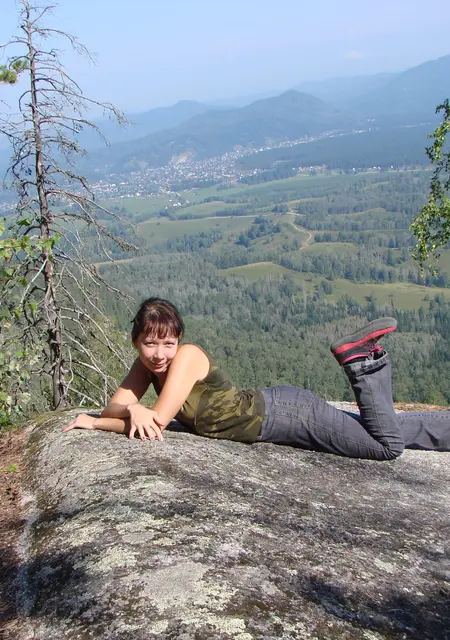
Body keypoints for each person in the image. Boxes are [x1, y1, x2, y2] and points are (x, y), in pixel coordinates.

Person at [63, 297, 450, 460]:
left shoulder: (187, 357)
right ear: (136, 343)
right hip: (277, 409)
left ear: (178, 340)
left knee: (385, 447)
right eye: (150, 344)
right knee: (382, 428)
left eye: (168, 342)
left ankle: (363, 362)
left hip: (286, 416)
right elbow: (117, 407)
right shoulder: (147, 367)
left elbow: (157, 422)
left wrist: (112, 419)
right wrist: (125, 412)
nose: (159, 353)